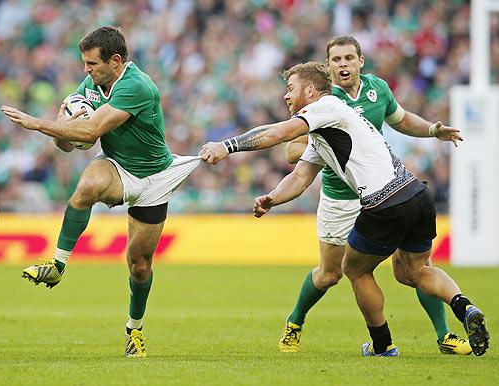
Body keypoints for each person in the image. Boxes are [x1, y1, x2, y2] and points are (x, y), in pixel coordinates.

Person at [199, 62, 489, 357]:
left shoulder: (326, 106)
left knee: (354, 269)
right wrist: (272, 198)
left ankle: (382, 346)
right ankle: (465, 307)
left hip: (384, 202)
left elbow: (279, 134)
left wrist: (227, 146)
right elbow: (300, 176)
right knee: (413, 271)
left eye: (291, 89)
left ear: (310, 90)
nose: (286, 97)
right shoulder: (331, 126)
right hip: (416, 194)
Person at [1, 26, 200, 358]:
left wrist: (38, 123)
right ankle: (58, 265)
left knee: (139, 266)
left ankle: (134, 329)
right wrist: (63, 127)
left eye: (92, 64)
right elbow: (69, 145)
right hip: (117, 166)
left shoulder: (137, 86)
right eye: (84, 63)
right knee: (87, 186)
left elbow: (92, 129)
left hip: (155, 178)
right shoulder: (90, 85)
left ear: (116, 61)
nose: (86, 71)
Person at [278, 35, 469, 354]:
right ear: (327, 66)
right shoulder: (322, 100)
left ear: (360, 61)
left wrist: (433, 131)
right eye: (336, 60)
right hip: (340, 198)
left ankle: (444, 335)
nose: (343, 65)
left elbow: (403, 120)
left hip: (382, 193)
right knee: (329, 274)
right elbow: (291, 150)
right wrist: (324, 147)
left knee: (416, 266)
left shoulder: (377, 89)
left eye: (348, 58)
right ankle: (294, 322)